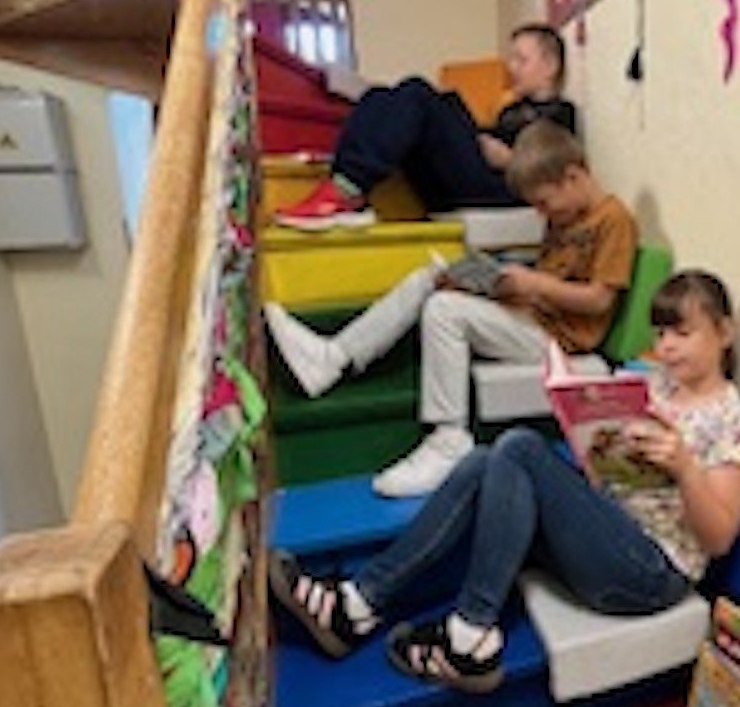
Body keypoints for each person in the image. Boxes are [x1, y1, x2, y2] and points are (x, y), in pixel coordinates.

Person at [267, 270, 740, 695]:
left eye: (682, 333)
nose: (666, 347)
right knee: (483, 461)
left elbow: (718, 539)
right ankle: (358, 603)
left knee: (520, 447)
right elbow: (608, 479)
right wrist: (593, 444)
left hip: (652, 572)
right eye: (661, 334)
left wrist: (686, 467)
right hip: (606, 533)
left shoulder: (737, 424)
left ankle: (469, 633)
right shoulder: (651, 385)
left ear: (724, 333)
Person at [265, 120, 638, 496]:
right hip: (532, 316)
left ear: (572, 177)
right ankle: (334, 357)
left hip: (559, 341)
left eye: (543, 203)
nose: (542, 214)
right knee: (430, 278)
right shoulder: (564, 217)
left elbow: (599, 299)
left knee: (445, 311)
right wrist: (500, 286)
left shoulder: (613, 219)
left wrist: (534, 283)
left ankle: (449, 440)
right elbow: (550, 284)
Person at [273, 23, 578, 228]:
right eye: (511, 60)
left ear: (550, 66)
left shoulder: (560, 113)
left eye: (521, 60)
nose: (511, 69)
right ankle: (346, 183)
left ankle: (346, 189)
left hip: (501, 189)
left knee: (417, 91)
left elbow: (554, 173)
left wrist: (509, 160)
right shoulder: (511, 110)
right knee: (381, 96)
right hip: (471, 178)